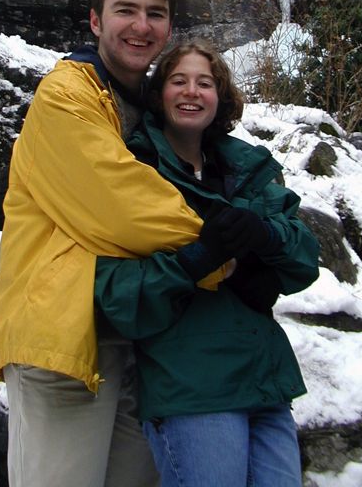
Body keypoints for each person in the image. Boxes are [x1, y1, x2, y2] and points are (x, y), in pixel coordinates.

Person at [0, 0, 248, 487]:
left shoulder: (142, 109)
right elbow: (121, 206)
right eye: (125, 9)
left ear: (170, 26)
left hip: (135, 329)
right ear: (96, 20)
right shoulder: (67, 94)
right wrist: (227, 252)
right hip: (62, 334)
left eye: (156, 13)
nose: (141, 25)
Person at [94, 40, 320, 487]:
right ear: (159, 94)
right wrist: (199, 259)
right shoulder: (132, 169)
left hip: (266, 383)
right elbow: (113, 290)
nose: (191, 92)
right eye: (178, 81)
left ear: (221, 97)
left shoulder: (247, 167)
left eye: (205, 83)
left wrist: (265, 235)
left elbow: (305, 257)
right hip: (192, 391)